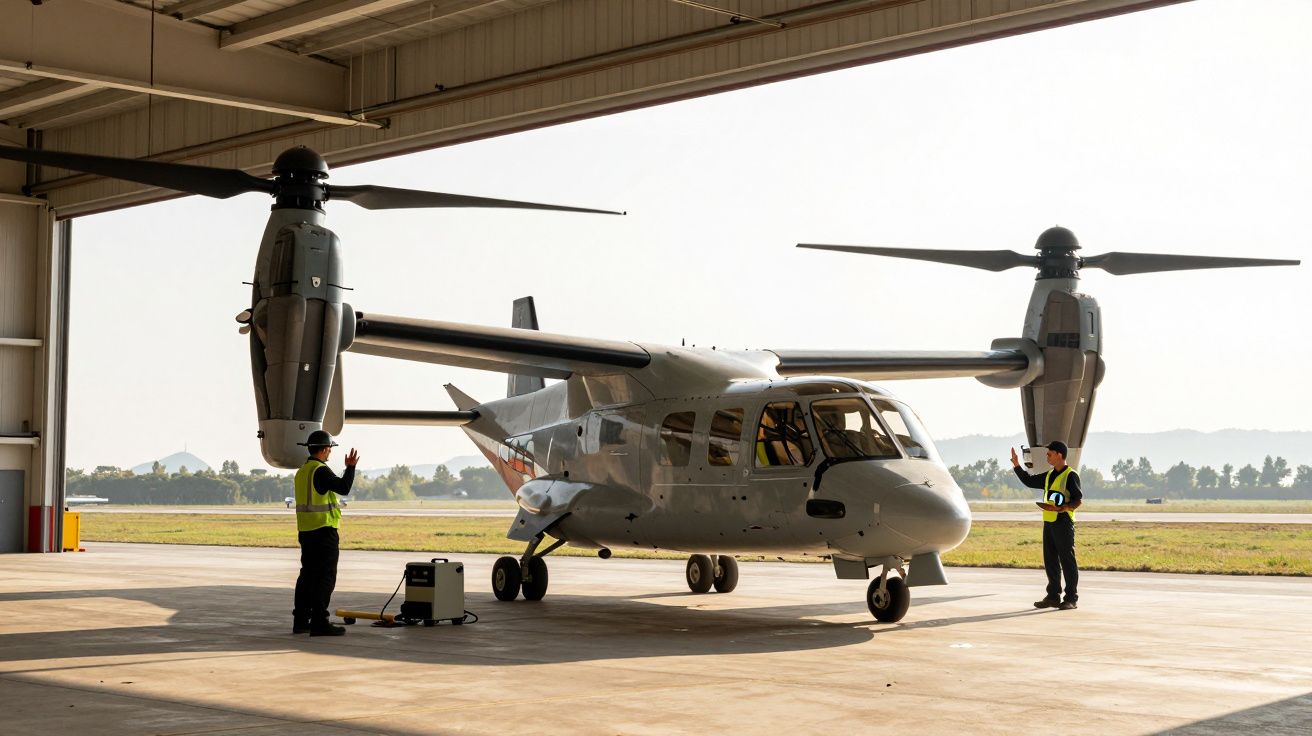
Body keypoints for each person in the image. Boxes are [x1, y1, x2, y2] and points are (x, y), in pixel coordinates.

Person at [292, 430, 359, 636]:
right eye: (329, 448)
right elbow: (343, 487)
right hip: (323, 532)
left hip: (306, 531)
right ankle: (320, 621)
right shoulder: (320, 470)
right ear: (323, 449)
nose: (330, 452)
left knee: (307, 576)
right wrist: (350, 468)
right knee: (325, 577)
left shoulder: (302, 471)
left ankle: (301, 621)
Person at [1009, 440, 1082, 610]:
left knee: (1067, 561)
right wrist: (1017, 465)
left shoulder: (1070, 475)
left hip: (1063, 522)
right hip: (1049, 522)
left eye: (1049, 454)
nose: (1047, 457)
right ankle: (1053, 596)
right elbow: (1029, 481)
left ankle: (1071, 598)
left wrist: (1065, 508)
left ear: (1059, 455)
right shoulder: (1049, 475)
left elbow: (1078, 500)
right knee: (1050, 561)